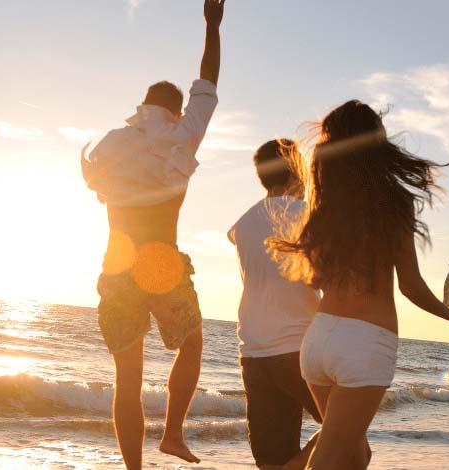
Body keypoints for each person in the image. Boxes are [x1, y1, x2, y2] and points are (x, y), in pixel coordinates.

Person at [270, 101, 449, 469]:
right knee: (331, 459)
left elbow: (315, 276)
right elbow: (410, 285)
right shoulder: (393, 201)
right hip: (364, 343)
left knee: (356, 455)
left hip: (318, 341)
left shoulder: (323, 202)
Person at [78, 0, 224, 467]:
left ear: (142, 105)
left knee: (128, 379)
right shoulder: (182, 136)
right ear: (178, 110)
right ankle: (174, 434)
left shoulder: (113, 147)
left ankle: (134, 468)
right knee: (194, 341)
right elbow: (209, 83)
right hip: (161, 261)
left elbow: (99, 190)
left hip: (117, 266)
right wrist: (212, 26)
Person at [229, 139, 323, 470]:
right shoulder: (307, 214)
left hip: (253, 353)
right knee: (346, 430)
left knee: (270, 458)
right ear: (298, 171)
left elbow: (234, 234)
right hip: (298, 350)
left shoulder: (242, 224)